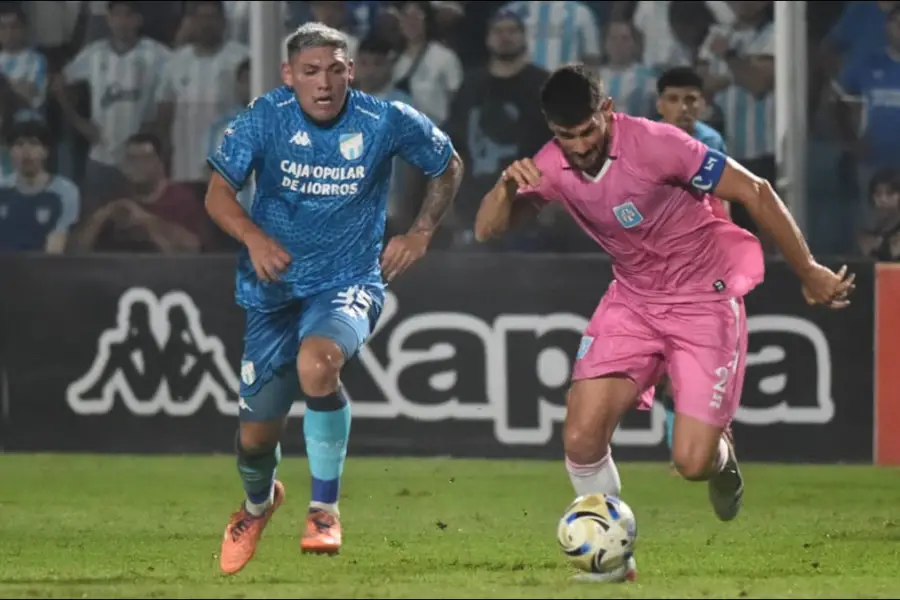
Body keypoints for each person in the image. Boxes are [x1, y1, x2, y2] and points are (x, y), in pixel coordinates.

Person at [473, 64, 855, 582]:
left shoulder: (658, 144)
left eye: (587, 131)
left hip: (704, 301)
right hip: (633, 300)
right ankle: (613, 563)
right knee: (582, 437)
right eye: (567, 136)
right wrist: (504, 187)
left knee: (692, 463)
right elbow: (487, 231)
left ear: (606, 111)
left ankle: (723, 459)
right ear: (552, 130)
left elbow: (756, 191)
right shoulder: (551, 164)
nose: (580, 146)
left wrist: (808, 269)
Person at [204, 22, 463, 575]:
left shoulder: (384, 119)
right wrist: (253, 236)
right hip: (273, 290)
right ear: (289, 75)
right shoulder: (265, 116)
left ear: (351, 70)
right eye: (311, 71)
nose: (324, 83)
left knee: (318, 365)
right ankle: (258, 504)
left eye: (335, 70)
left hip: (348, 280)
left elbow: (448, 165)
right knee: (253, 440)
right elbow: (218, 194)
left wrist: (420, 233)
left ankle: (324, 508)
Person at [655, 65, 730, 463]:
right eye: (674, 99)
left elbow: (723, 203)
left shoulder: (710, 141)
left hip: (699, 271)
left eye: (690, 99)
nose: (683, 107)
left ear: (702, 103)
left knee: (694, 368)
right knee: (667, 369)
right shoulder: (645, 141)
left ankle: (699, 446)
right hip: (653, 271)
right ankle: (681, 447)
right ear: (659, 104)